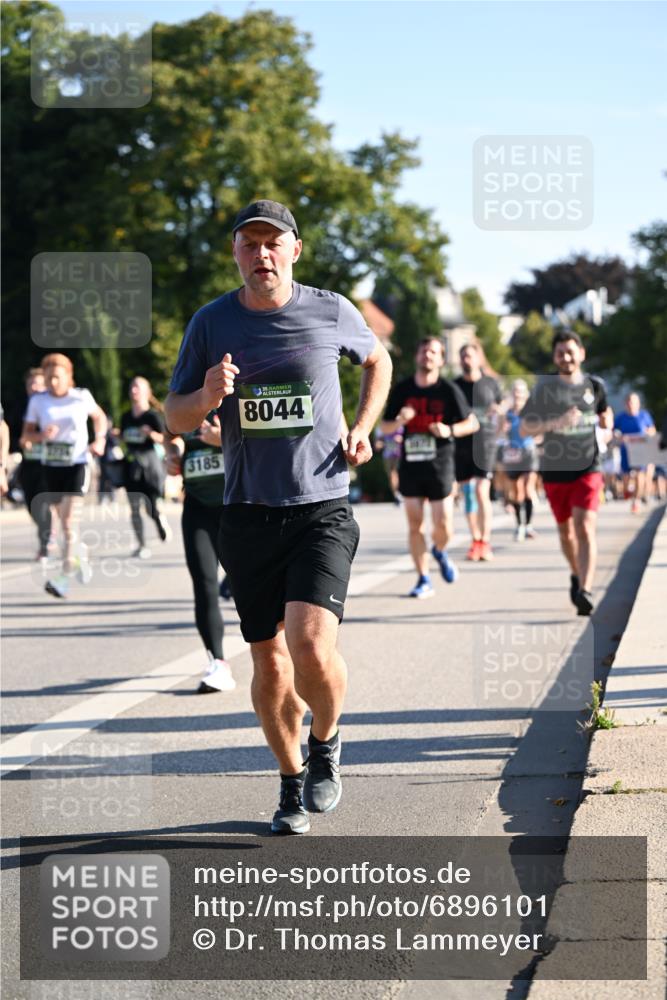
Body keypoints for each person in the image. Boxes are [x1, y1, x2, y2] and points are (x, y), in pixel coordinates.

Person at [165, 199, 392, 835]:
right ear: (236, 253)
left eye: (273, 243)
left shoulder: (333, 310)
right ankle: (292, 782)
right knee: (269, 661)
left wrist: (365, 425)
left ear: (295, 250)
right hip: (246, 513)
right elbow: (174, 416)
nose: (260, 255)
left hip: (321, 503)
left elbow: (379, 360)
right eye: (248, 245)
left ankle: (328, 740)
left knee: (311, 643)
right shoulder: (211, 323)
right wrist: (206, 396)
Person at [520, 330, 612, 616]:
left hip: (588, 466)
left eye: (571, 351)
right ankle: (576, 572)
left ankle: (584, 589)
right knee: (565, 533)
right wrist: (556, 422)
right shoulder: (544, 389)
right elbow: (524, 428)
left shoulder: (595, 386)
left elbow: (604, 415)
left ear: (581, 353)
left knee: (585, 527)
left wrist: (606, 424)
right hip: (556, 470)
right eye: (560, 352)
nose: (566, 357)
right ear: (554, 357)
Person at [381, 337, 477, 597]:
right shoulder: (402, 390)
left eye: (433, 352)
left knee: (443, 524)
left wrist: (448, 430)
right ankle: (423, 578)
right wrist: (400, 419)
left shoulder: (447, 390)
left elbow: (472, 423)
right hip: (411, 465)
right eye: (424, 351)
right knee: (415, 525)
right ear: (417, 356)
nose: (428, 356)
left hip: (441, 464)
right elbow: (384, 427)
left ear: (441, 359)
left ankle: (440, 550)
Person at [21, 353, 106, 598]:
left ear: (68, 377)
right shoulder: (38, 401)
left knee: (68, 523)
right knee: (68, 526)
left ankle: (63, 579)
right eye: (48, 378)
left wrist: (99, 440)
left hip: (77, 464)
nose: (52, 382)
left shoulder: (81, 397)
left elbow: (99, 418)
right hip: (51, 467)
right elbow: (26, 436)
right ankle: (81, 555)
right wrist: (40, 435)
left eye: (57, 377)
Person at [166, 413, 235, 694]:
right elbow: (170, 430)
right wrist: (173, 454)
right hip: (197, 508)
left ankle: (276, 655)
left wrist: (224, 440)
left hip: (238, 505)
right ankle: (218, 661)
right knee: (204, 584)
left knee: (251, 585)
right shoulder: (187, 395)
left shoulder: (240, 388)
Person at [454, 342, 503, 561]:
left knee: (482, 492)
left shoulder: (490, 383)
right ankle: (476, 540)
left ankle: (485, 541)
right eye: (463, 356)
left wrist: (497, 417)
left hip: (485, 444)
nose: (466, 359)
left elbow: (501, 411)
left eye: (470, 356)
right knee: (468, 495)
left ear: (478, 358)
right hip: (462, 445)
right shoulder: (454, 386)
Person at [121, 376, 171, 558]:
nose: (134, 390)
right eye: (132, 387)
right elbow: (125, 439)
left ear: (147, 393)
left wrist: (150, 434)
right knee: (134, 507)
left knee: (150, 506)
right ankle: (141, 545)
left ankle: (158, 520)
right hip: (132, 464)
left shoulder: (152, 416)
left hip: (150, 465)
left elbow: (166, 439)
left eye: (138, 387)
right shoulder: (126, 416)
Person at [17, 369, 53, 559]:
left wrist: (40, 437)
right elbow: (15, 434)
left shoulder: (51, 408)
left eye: (38, 383)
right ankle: (47, 532)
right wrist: (22, 441)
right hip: (28, 464)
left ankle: (45, 546)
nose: (34, 387)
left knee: (42, 505)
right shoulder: (21, 408)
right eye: (30, 384)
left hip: (48, 465)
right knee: (31, 505)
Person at [502, 379, 539, 541]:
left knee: (529, 486)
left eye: (521, 391)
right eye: (515, 391)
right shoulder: (507, 414)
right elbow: (498, 433)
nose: (518, 394)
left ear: (526, 394)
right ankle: (519, 525)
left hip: (529, 451)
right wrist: (503, 430)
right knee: (516, 490)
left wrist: (535, 440)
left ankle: (529, 524)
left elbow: (541, 431)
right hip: (513, 453)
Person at [613, 393, 656, 512]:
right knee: (626, 479)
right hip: (625, 451)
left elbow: (652, 430)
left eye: (633, 402)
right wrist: (619, 437)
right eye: (629, 402)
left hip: (640, 451)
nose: (631, 404)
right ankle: (628, 491)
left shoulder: (644, 416)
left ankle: (636, 501)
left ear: (638, 404)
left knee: (639, 475)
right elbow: (614, 432)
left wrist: (648, 434)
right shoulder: (621, 417)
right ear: (625, 404)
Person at [373, 424, 403, 504]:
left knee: (400, 474)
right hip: (389, 455)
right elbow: (377, 444)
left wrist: (401, 439)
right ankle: (397, 494)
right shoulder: (380, 427)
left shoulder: (401, 423)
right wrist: (381, 444)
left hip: (403, 454)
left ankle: (403, 493)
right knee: (392, 474)